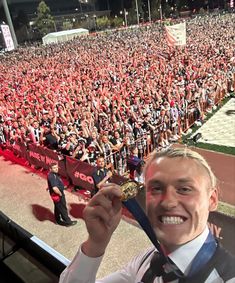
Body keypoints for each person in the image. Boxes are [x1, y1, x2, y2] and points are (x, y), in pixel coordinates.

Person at [59, 147, 235, 282]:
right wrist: (96, 243)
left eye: (184, 189)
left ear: (211, 199)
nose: (167, 202)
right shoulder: (148, 260)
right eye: (156, 188)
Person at [47, 163, 77, 227]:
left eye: (57, 167)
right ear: (50, 169)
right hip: (57, 195)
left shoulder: (51, 174)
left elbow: (52, 184)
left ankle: (57, 219)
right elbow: (54, 188)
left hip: (55, 195)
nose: (56, 169)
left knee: (57, 206)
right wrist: (60, 194)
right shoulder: (53, 176)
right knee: (63, 207)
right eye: (54, 168)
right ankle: (68, 222)